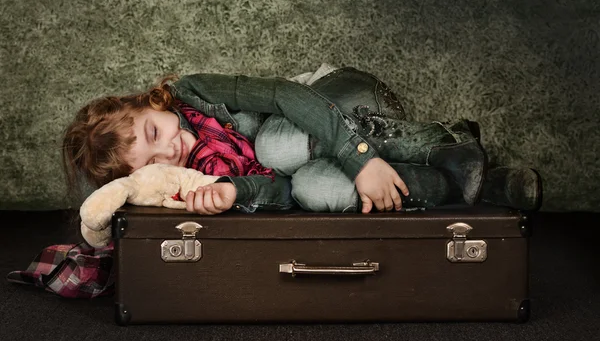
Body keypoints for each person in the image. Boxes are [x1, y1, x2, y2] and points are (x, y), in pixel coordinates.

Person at [63, 66, 542, 215]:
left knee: (273, 146)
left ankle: (435, 139)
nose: (170, 149)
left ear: (153, 103)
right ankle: (470, 183)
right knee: (314, 191)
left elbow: (284, 95)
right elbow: (281, 193)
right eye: (152, 160)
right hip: (327, 154)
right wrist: (234, 192)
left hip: (343, 99)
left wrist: (360, 159)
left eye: (154, 131)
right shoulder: (189, 179)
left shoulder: (193, 93)